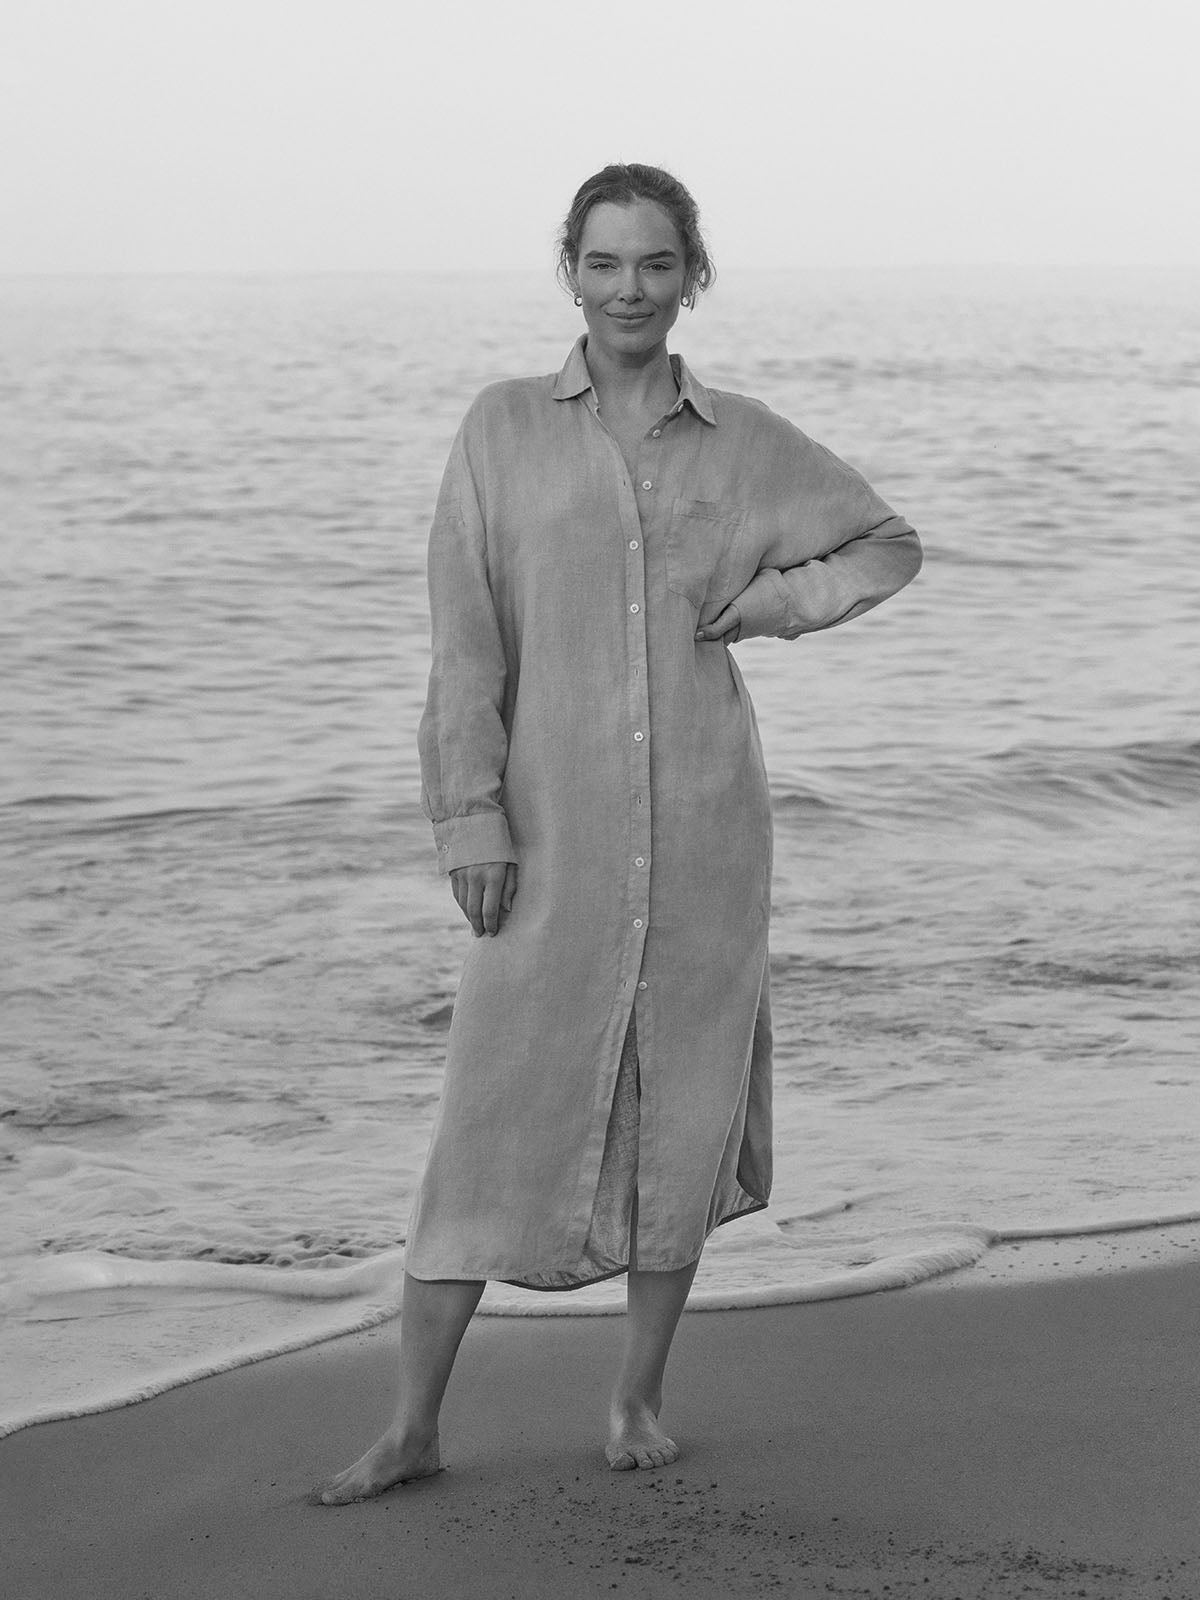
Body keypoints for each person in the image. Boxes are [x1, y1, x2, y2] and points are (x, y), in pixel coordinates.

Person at [317, 163, 921, 1505]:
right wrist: (470, 816)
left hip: (707, 832)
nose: (630, 290)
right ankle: (414, 1424)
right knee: (487, 1118)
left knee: (682, 1117)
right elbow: (464, 645)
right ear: (571, 271)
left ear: (690, 274)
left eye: (655, 265)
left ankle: (638, 1397)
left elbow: (884, 546)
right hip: (548, 840)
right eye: (605, 264)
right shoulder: (503, 432)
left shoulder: (747, 443)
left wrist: (771, 604)